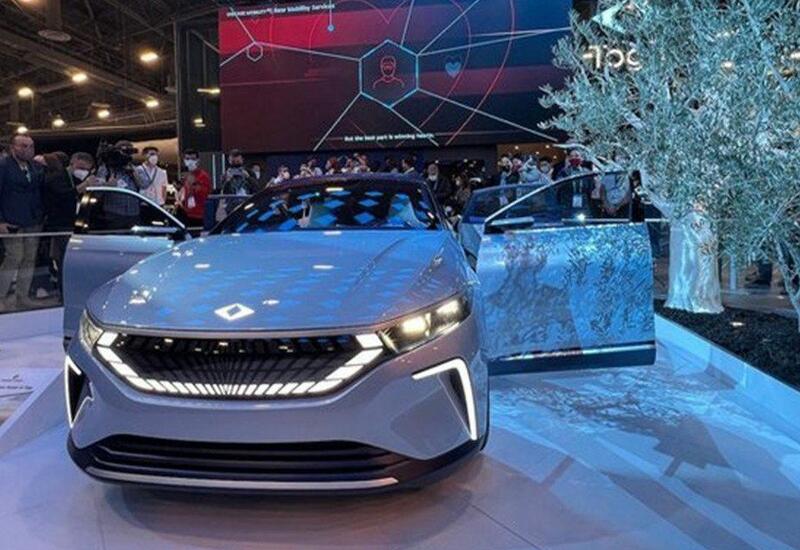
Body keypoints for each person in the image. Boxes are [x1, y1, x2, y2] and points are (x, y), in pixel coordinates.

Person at [0, 134, 45, 310]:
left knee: (29, 258)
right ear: (13, 148)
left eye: (31, 146)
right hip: (11, 220)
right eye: (24, 146)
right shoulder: (3, 166)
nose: (28, 150)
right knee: (14, 257)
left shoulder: (35, 166)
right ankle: (1, 296)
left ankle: (22, 296)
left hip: (33, 220)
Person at [43, 151, 95, 294]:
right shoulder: (57, 178)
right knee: (65, 259)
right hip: (60, 224)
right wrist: (82, 187)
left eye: (86, 169)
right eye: (81, 168)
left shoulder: (77, 179)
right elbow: (62, 196)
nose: (83, 172)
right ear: (73, 162)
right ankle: (64, 291)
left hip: (75, 224)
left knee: (71, 259)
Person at [177, 149, 212, 228]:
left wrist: (193, 184)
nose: (190, 161)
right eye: (187, 159)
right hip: (186, 212)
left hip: (198, 214)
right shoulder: (187, 176)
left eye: (193, 159)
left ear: (198, 161)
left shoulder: (203, 176)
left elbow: (204, 194)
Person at [556, 149, 597, 215]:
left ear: (582, 158)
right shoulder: (564, 172)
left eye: (576, 156)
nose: (574, 158)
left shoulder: (587, 172)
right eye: (571, 156)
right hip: (567, 206)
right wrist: (566, 168)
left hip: (584, 205)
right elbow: (558, 186)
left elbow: (591, 187)